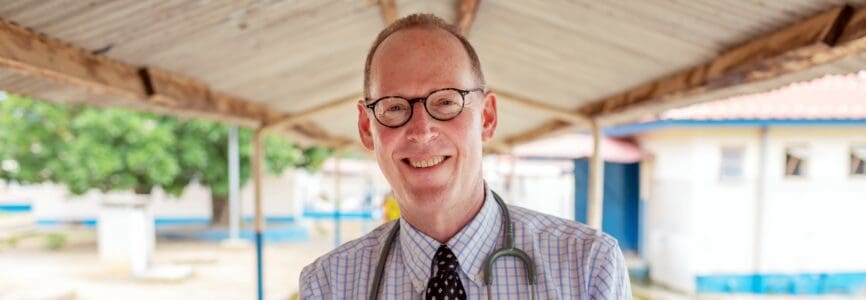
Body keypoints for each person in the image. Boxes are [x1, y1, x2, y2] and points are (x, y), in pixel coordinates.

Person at [300, 13, 631, 299]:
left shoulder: (588, 267)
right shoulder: (328, 284)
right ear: (365, 125)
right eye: (395, 107)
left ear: (486, 117)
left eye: (446, 102)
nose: (421, 130)